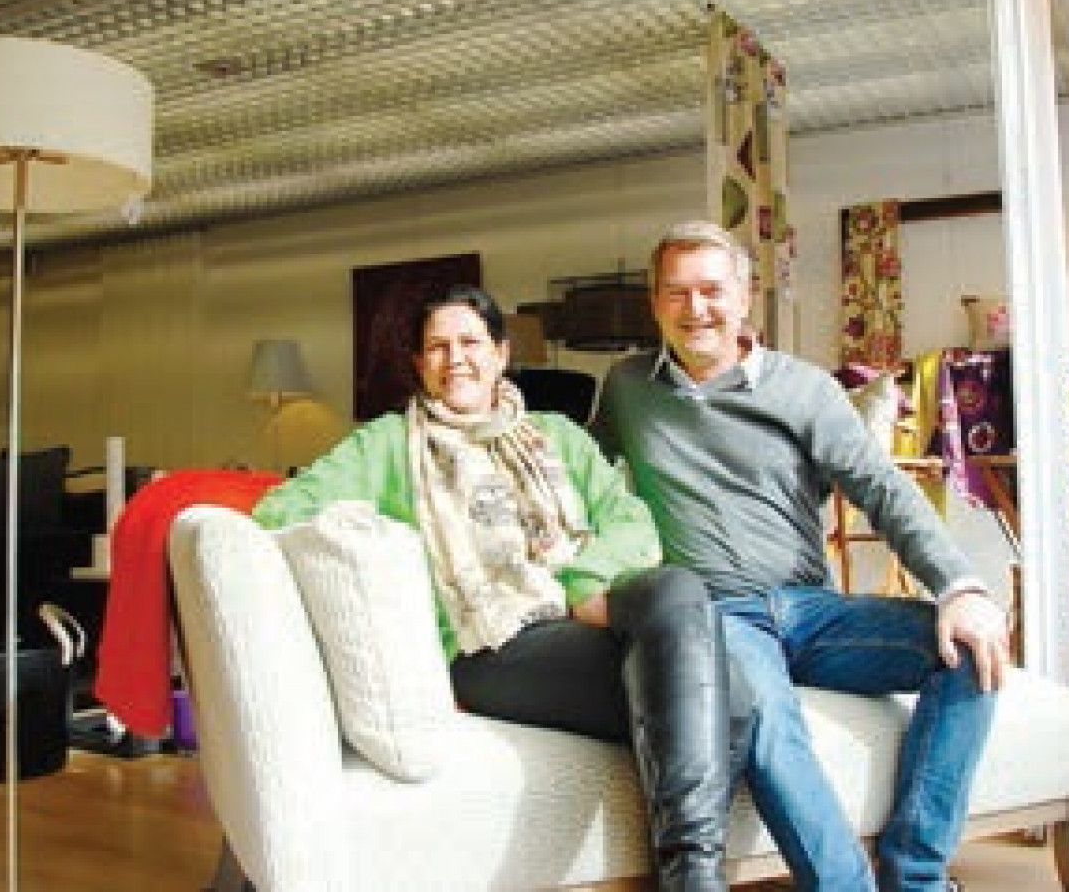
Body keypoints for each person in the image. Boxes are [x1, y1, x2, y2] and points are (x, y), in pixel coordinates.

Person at [252, 284, 732, 891]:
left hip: (578, 615)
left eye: (470, 342)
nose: (456, 359)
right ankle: (696, 877)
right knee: (720, 694)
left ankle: (693, 878)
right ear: (421, 366)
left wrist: (581, 585)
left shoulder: (557, 435)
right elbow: (281, 510)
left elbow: (632, 524)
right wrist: (374, 540)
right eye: (438, 347)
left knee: (678, 592)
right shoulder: (387, 446)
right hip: (491, 646)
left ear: (501, 354)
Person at [593, 220, 1010, 892]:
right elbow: (584, 482)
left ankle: (916, 874)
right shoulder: (626, 387)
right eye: (676, 294)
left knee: (969, 654)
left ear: (745, 296)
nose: (695, 309)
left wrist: (959, 587)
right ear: (653, 303)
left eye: (710, 290)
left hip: (809, 609)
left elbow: (881, 487)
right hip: (714, 616)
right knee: (766, 721)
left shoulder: (803, 388)